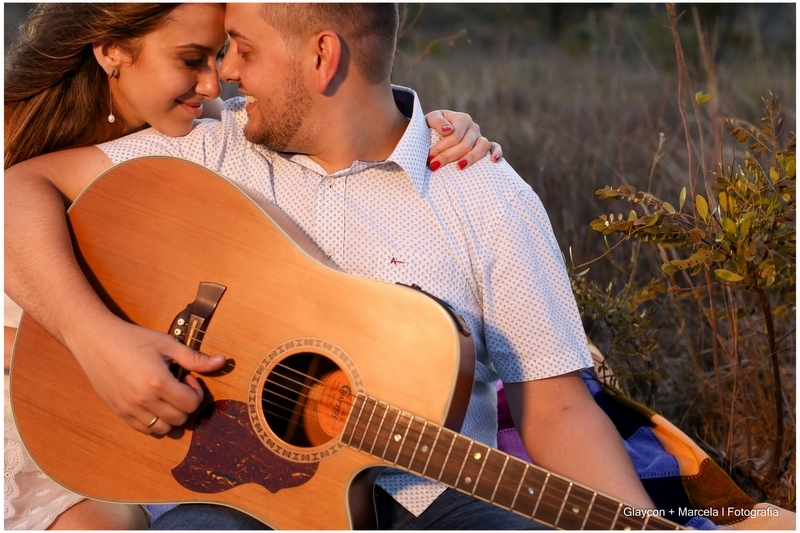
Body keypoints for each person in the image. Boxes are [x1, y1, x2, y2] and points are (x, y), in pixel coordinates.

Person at [5, 3, 655, 529]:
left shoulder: (482, 190)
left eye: (243, 49)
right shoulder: (212, 149)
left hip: (436, 500)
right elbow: (18, 190)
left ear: (322, 56)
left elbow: (558, 410)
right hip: (240, 503)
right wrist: (96, 338)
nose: (225, 73)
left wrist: (640, 524)